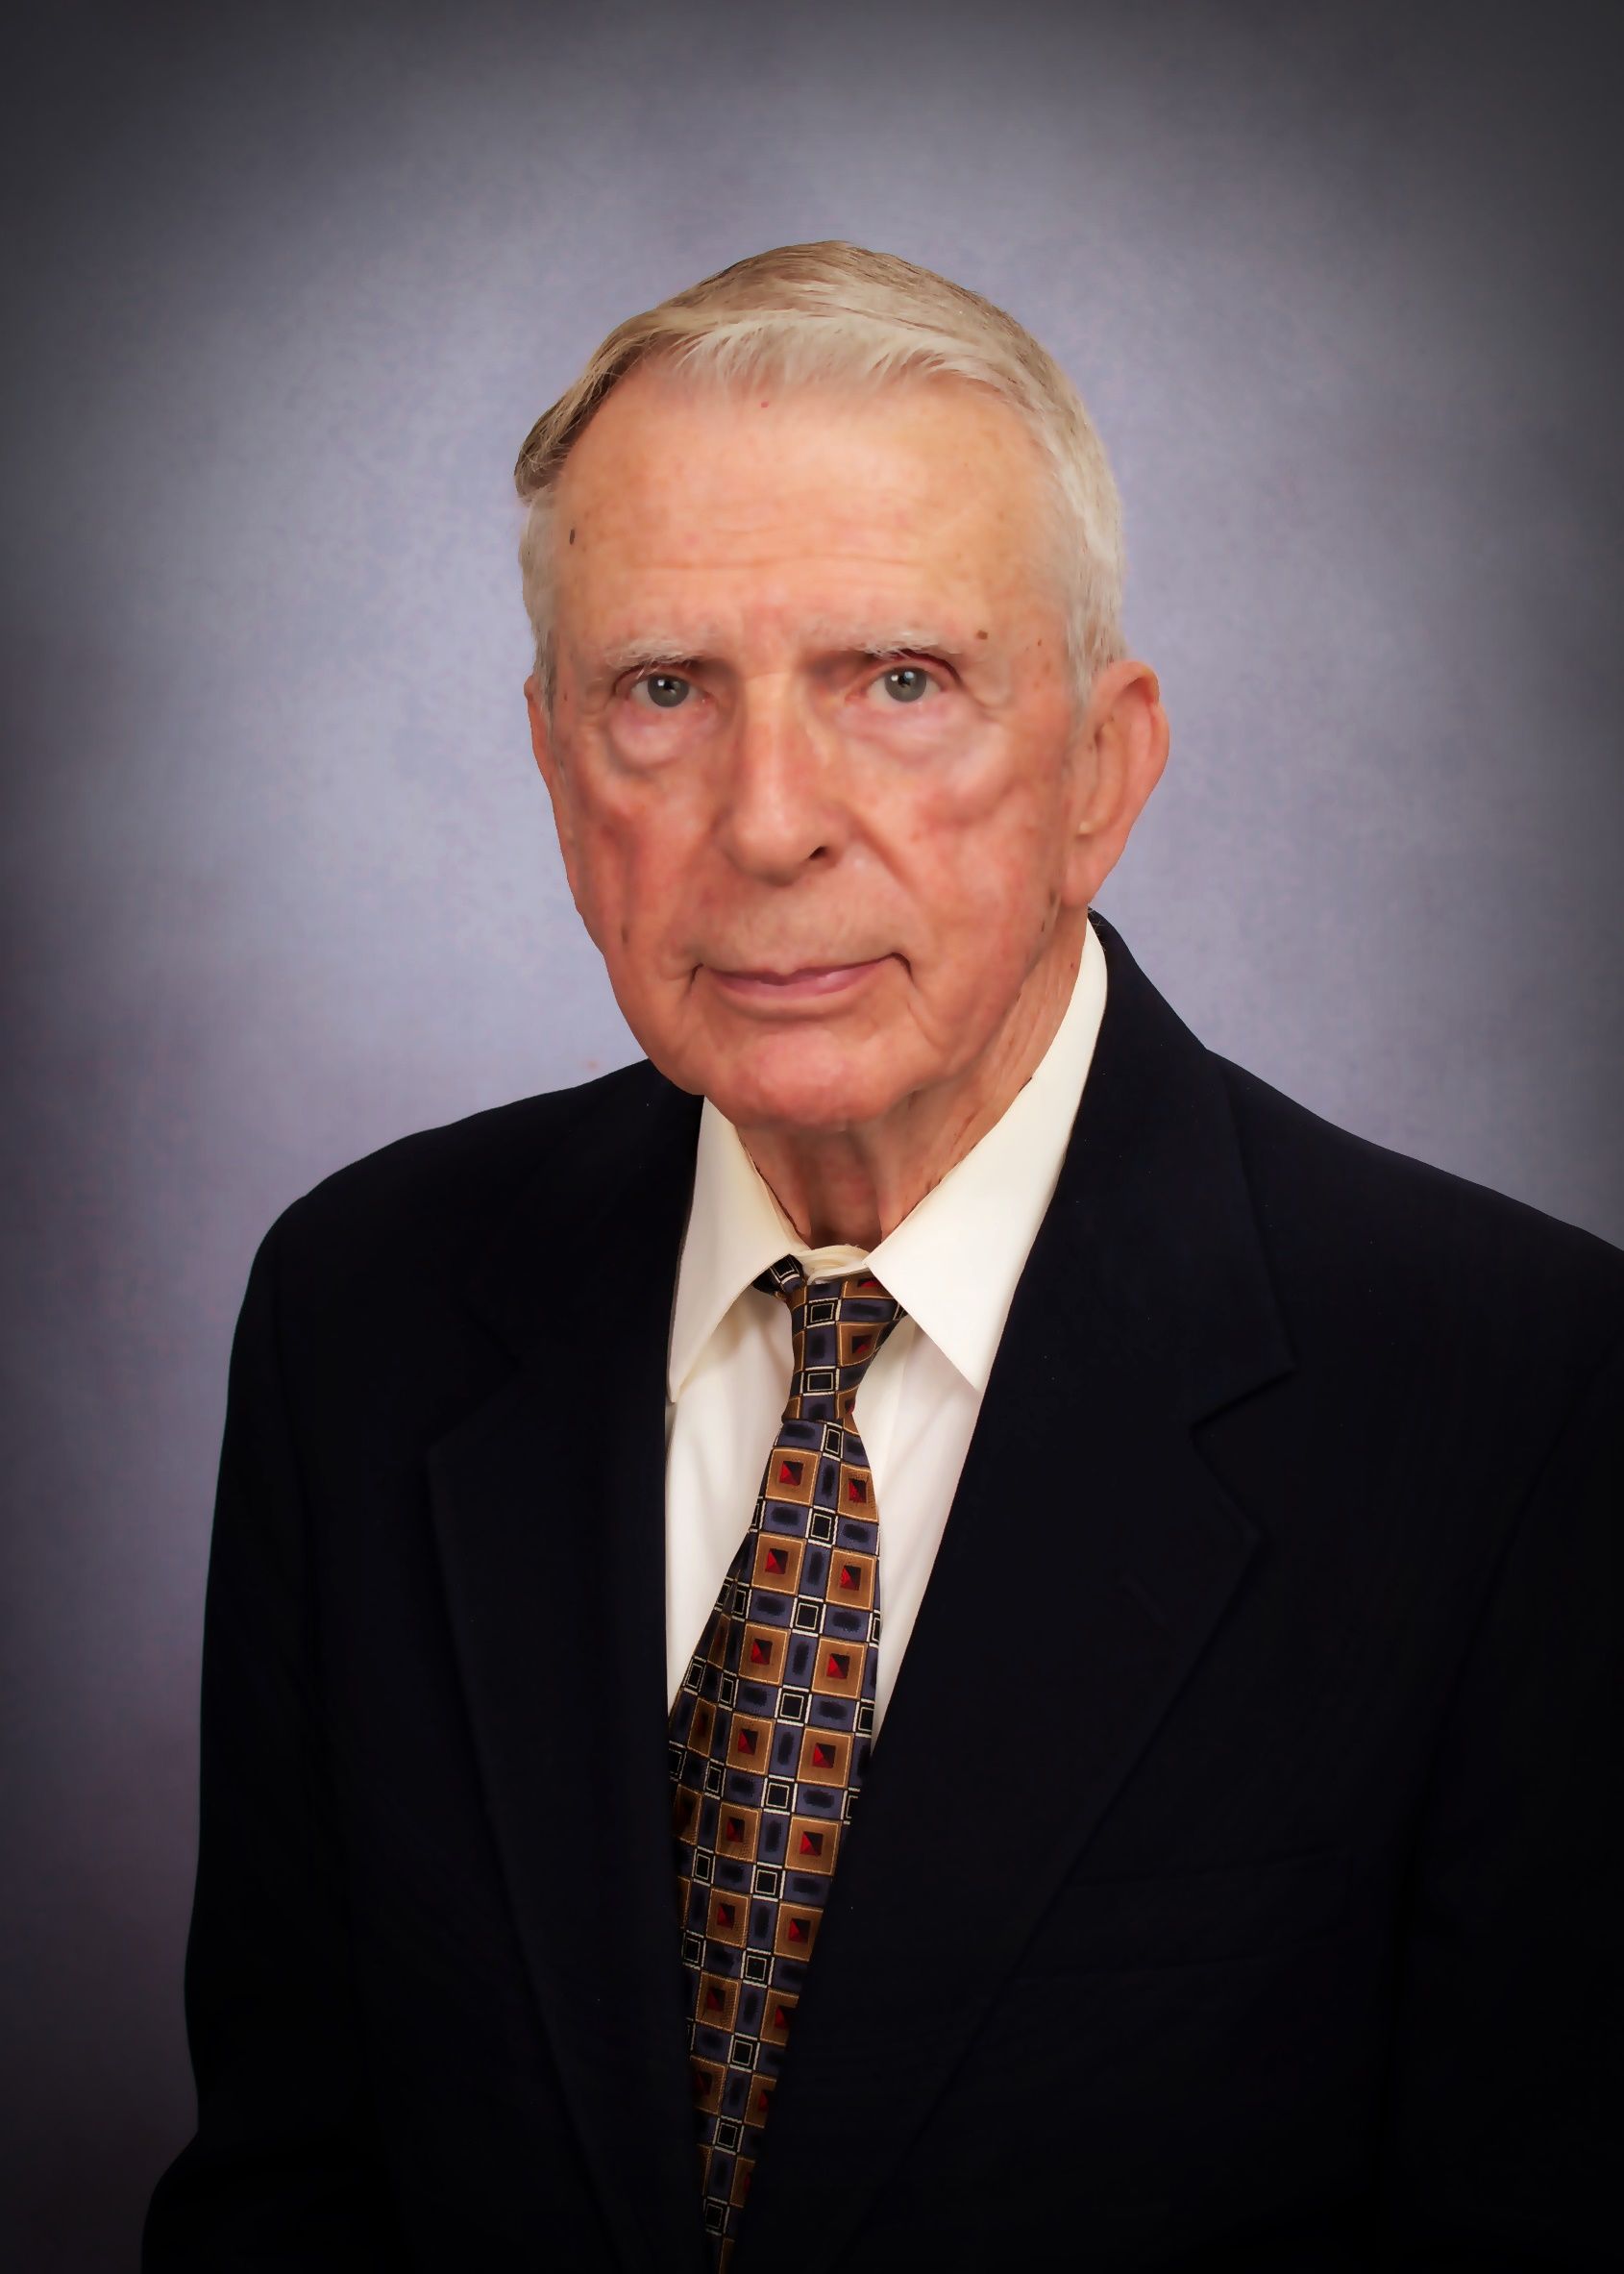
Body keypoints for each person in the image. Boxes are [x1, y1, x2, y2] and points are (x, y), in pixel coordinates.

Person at [143, 242, 1620, 2272]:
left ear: (1100, 769)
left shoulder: (1522, 1399)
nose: (767, 822)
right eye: (662, 691)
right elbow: (287, 2195)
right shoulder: (360, 1311)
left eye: (896, 681)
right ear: (559, 771)